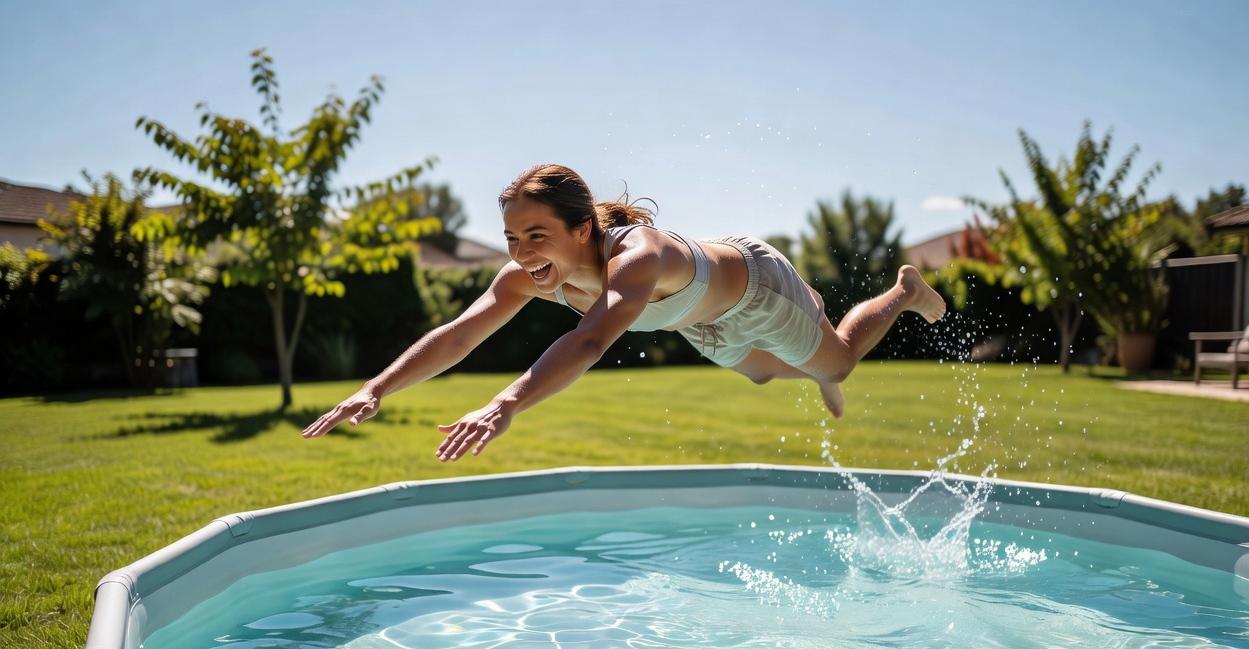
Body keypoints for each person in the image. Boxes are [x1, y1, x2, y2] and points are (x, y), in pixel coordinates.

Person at [303, 164, 946, 461]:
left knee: (838, 360)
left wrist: (504, 404)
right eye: (512, 239)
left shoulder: (633, 259)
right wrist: (375, 389)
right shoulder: (532, 274)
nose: (523, 254)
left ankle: (902, 293)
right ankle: (813, 359)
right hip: (696, 318)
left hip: (755, 287)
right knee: (761, 373)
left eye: (536, 235)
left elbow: (588, 343)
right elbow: (458, 334)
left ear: (583, 227)